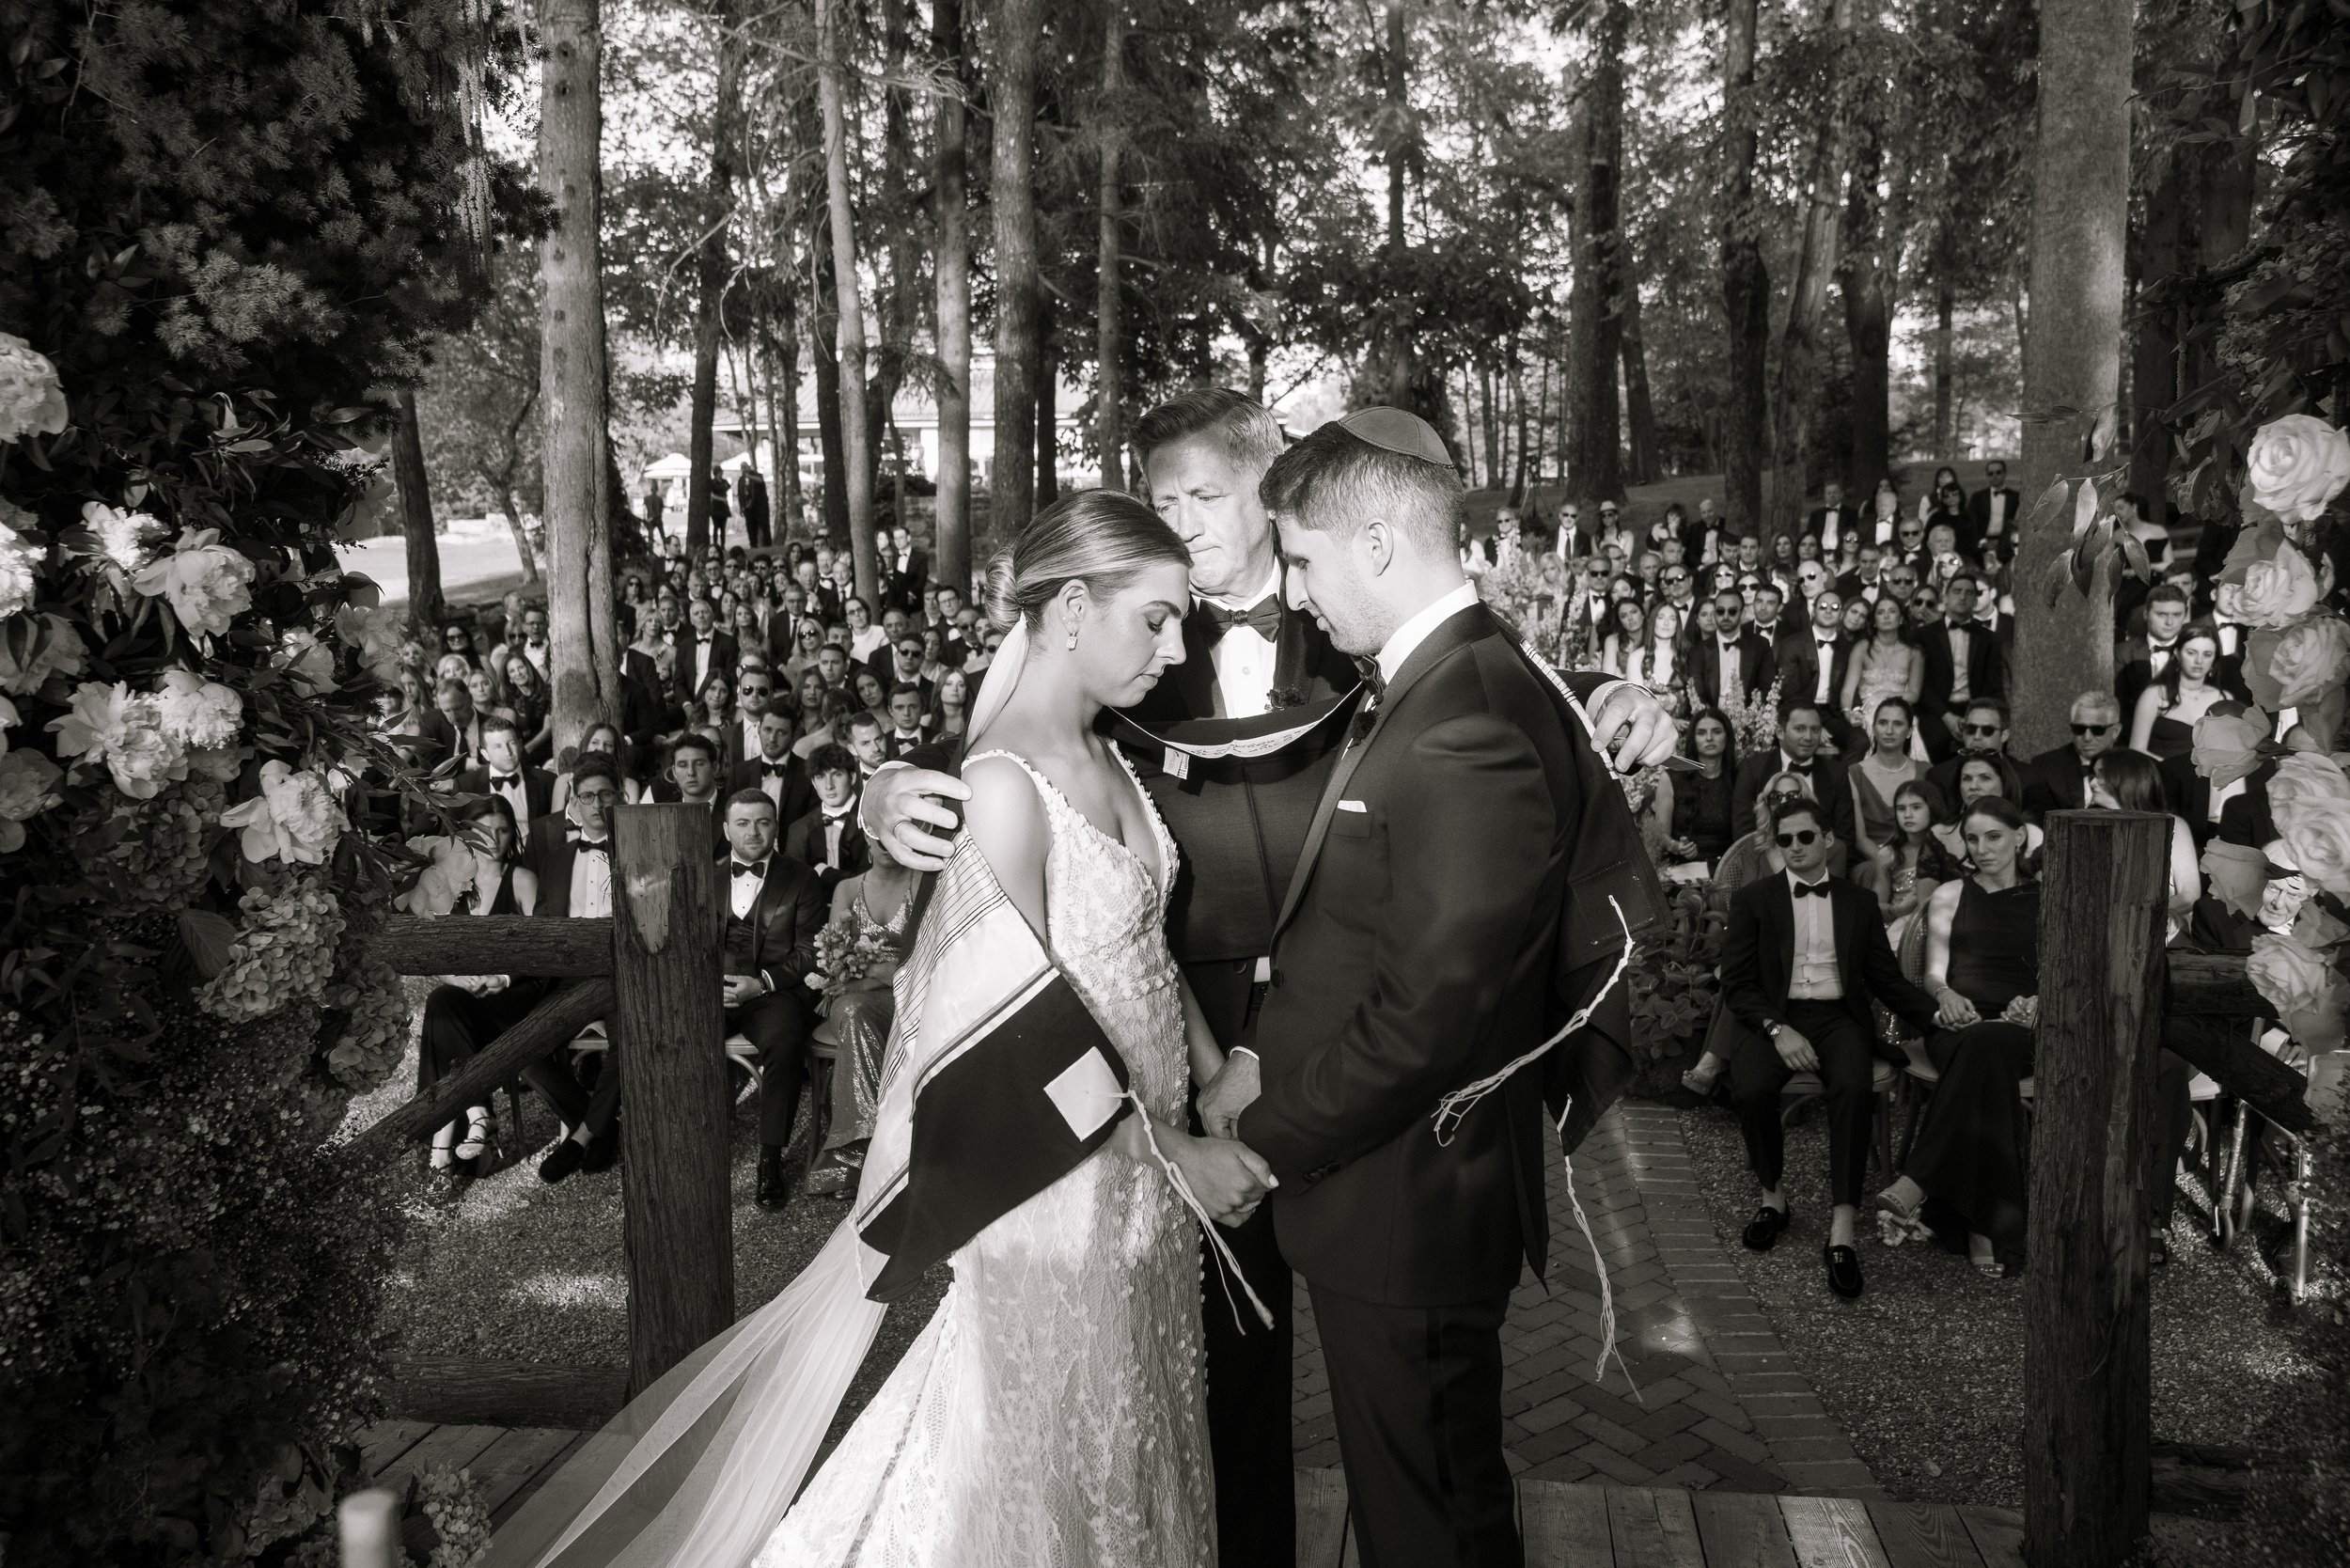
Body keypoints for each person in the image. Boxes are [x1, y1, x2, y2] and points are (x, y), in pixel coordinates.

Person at [861, 392, 1676, 1568]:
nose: (1182, 522)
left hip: (1341, 1069)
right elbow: (1005, 759)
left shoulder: (1352, 630)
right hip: (1177, 1080)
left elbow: (1479, 674)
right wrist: (879, 793)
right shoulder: (1139, 646)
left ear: (1271, 492)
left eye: (1204, 496)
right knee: (1203, 1395)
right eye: (1162, 500)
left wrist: (1616, 691)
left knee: (1394, 1413)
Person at [1203, 411, 1658, 1568]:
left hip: (1408, 1194)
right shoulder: (1444, 682)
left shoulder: (1465, 722)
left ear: (1373, 545)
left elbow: (1429, 1016)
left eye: (1300, 560)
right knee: (1423, 1502)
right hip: (1392, 1191)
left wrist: (1264, 1134)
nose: (1294, 595)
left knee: (1433, 1524)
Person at [1718, 796, 1948, 1297]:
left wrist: (1937, 1017)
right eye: (1785, 840)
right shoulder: (1755, 900)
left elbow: (1886, 981)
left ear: (1827, 839)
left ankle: (1842, 1229)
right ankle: (1773, 1199)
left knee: (1852, 1085)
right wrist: (1778, 1030)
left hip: (1838, 1015)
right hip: (1775, 1018)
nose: (1796, 847)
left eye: (1805, 837)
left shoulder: (1857, 902)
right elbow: (1737, 984)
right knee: (1751, 1088)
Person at [1872, 796, 2042, 1276]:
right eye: (1973, 838)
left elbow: (2065, 975)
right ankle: (1988, 1228)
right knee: (1977, 1049)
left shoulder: (2049, 897)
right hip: (1958, 1022)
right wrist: (1945, 996)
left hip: (2024, 1027)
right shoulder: (1951, 893)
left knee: (1987, 1048)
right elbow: (1933, 975)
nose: (1983, 848)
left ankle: (1920, 1180)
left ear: (2019, 836)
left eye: (1994, 836)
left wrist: (2037, 1005)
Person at [413, 794, 544, 1183]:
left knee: (442, 1010)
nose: (497, 839)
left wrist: (499, 977)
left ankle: (444, 1141)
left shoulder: (522, 879)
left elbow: (541, 948)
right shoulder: (452, 883)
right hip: (466, 996)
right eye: (488, 831)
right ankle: (476, 1117)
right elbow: (438, 957)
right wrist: (458, 979)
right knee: (444, 999)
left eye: (505, 830)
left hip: (514, 995)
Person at [799, 836, 918, 1200]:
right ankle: (864, 1150)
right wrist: (866, 976)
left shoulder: (924, 884)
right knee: (852, 1012)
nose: (887, 841)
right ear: (868, 836)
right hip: (852, 998)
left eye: (898, 832)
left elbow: (928, 956)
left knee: (857, 1011)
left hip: (911, 995)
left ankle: (863, 1156)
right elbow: (836, 961)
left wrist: (879, 974)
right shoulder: (847, 888)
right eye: (879, 833)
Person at [1847, 696, 1930, 869]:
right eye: (1883, 723)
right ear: (1874, 728)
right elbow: (1860, 840)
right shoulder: (1854, 773)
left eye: (1898, 724)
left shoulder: (1926, 772)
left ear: (1909, 731)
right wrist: (1893, 864)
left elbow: (1933, 830)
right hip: (1872, 861)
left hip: (1919, 859)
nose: (1889, 730)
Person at [2128, 621, 2229, 760]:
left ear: (2214, 660)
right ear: (2177, 653)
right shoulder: (2155, 694)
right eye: (2191, 653)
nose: (2199, 661)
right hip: (2163, 776)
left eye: (2207, 654)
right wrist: (2175, 773)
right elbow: (2136, 750)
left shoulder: (2223, 699)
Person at [2020, 690, 2124, 822]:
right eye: (2079, 729)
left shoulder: (2135, 767)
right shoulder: (2046, 767)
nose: (2087, 738)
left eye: (2098, 730)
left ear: (2115, 731)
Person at [1840, 594, 1922, 759]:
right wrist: (1848, 712)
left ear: (1901, 618)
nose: (1886, 616)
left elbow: (1914, 694)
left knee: (1902, 722)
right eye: (1880, 612)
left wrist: (1886, 696)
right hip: (1866, 712)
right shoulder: (1862, 647)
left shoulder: (1914, 652)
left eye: (1892, 611)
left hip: (1901, 708)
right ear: (1874, 620)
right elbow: (1848, 690)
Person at [785, 743, 870, 897]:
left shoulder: (871, 821)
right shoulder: (798, 829)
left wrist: (824, 873)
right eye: (820, 777)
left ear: (852, 777)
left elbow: (871, 883)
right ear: (813, 782)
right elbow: (794, 886)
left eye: (836, 774)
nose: (828, 786)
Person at [1665, 707, 1739, 871]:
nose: (1709, 738)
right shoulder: (1673, 775)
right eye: (1701, 733)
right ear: (1693, 738)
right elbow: (1659, 834)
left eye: (1717, 732)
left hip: (1729, 869)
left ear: (1727, 736)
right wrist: (1677, 847)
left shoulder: (1740, 776)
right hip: (1684, 870)